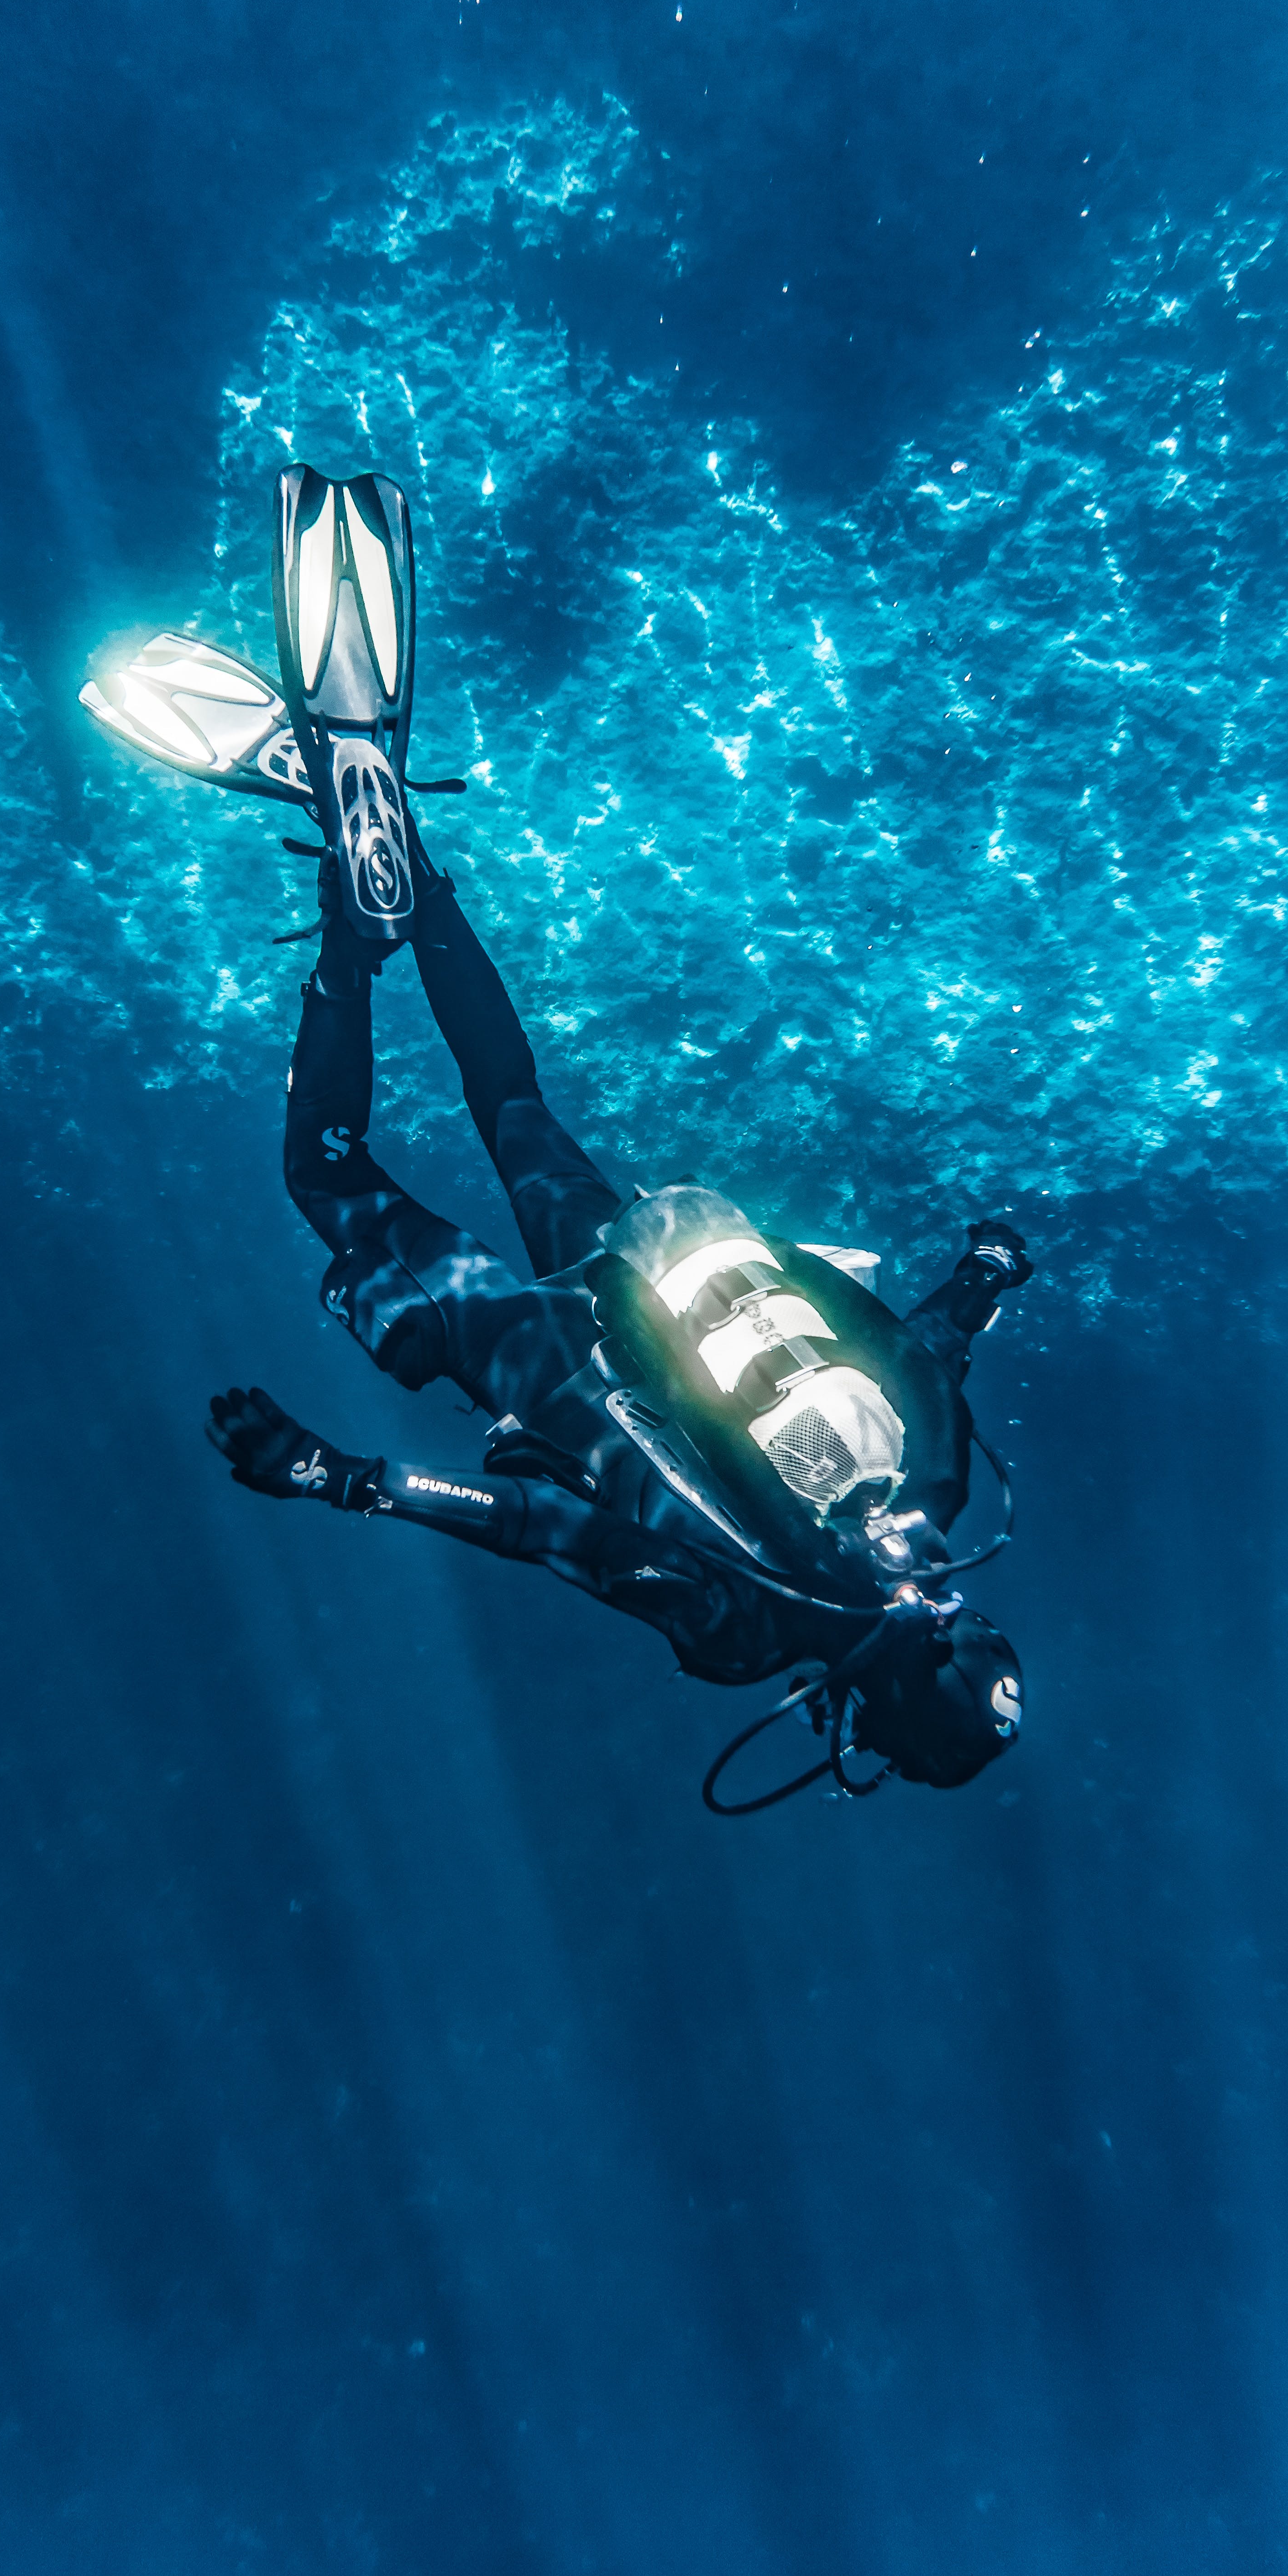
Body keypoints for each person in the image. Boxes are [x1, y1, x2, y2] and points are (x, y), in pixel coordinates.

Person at [82, 467, 1032, 1811]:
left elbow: (926, 1350)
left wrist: (986, 1276)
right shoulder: (747, 1631)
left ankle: (396, 843)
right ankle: (350, 940)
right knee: (327, 1174)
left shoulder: (933, 1491)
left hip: (648, 1274)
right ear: (866, 1720)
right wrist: (342, 1480)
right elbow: (541, 1527)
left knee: (510, 1097)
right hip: (534, 1362)